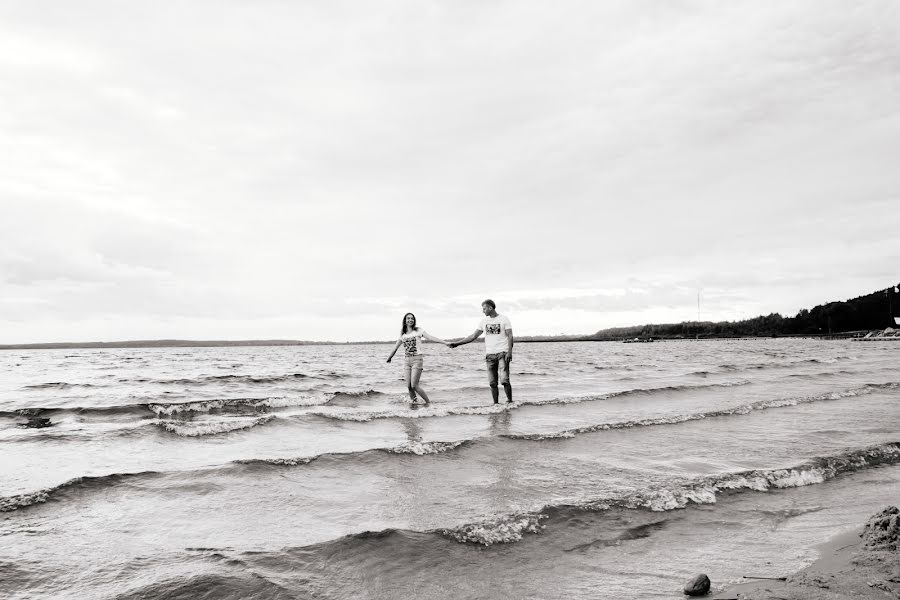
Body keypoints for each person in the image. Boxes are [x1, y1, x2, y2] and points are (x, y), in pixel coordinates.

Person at [448, 299, 514, 404]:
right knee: (492, 383)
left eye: (484, 308)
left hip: (503, 353)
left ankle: (509, 402)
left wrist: (510, 351)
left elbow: (510, 335)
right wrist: (457, 343)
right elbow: (473, 336)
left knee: (504, 380)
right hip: (490, 355)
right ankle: (495, 404)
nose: (483, 311)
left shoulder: (504, 319)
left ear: (490, 308)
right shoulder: (484, 321)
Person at [386, 312, 450, 404]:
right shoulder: (403, 335)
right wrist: (389, 358)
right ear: (405, 321)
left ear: (414, 320)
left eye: (412, 318)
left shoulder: (418, 330)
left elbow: (431, 337)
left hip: (417, 359)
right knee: (409, 386)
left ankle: (428, 403)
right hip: (407, 361)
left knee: (414, 385)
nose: (410, 320)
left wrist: (445, 342)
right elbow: (395, 348)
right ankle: (414, 404)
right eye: (408, 318)